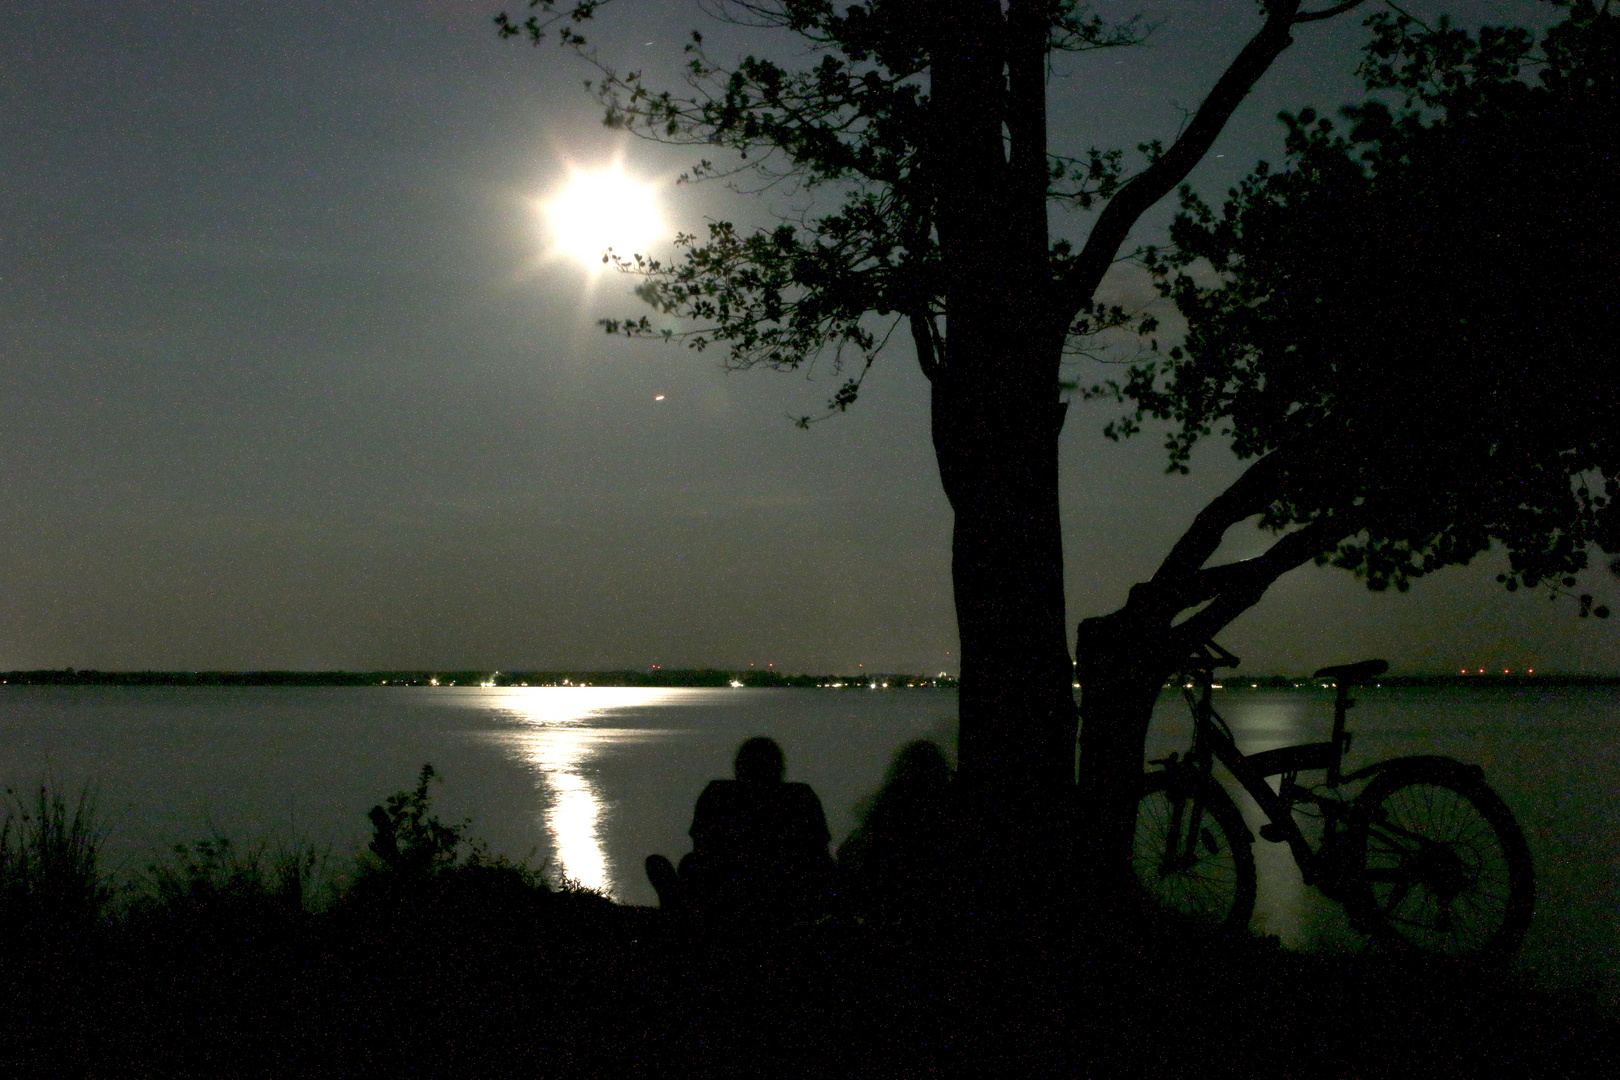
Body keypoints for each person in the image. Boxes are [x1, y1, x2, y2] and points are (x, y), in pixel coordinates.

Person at [646, 736, 834, 925]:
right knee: (687, 864)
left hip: (730, 897)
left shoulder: (717, 796)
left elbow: (702, 849)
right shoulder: (801, 798)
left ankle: (679, 915)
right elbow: (820, 855)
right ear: (779, 767)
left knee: (687, 864)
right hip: (788, 897)